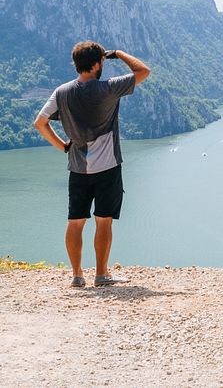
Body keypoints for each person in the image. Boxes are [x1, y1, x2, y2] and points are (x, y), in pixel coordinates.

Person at [33, 41, 151, 288]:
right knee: (103, 219)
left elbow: (40, 123)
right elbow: (143, 71)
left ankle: (77, 276)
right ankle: (101, 274)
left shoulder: (62, 92)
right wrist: (118, 53)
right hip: (107, 167)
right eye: (103, 62)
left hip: (77, 168)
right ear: (97, 64)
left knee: (75, 221)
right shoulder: (108, 88)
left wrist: (63, 146)